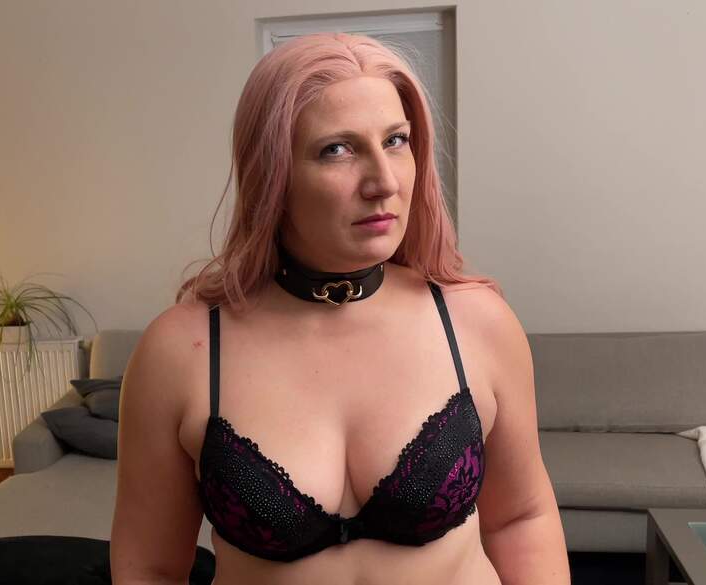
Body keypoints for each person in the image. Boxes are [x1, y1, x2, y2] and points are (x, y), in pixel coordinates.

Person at [110, 32, 570, 585]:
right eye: (338, 149)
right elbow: (150, 568)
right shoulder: (181, 351)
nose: (384, 182)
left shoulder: (477, 322)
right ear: (271, 173)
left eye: (396, 140)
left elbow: (522, 519)